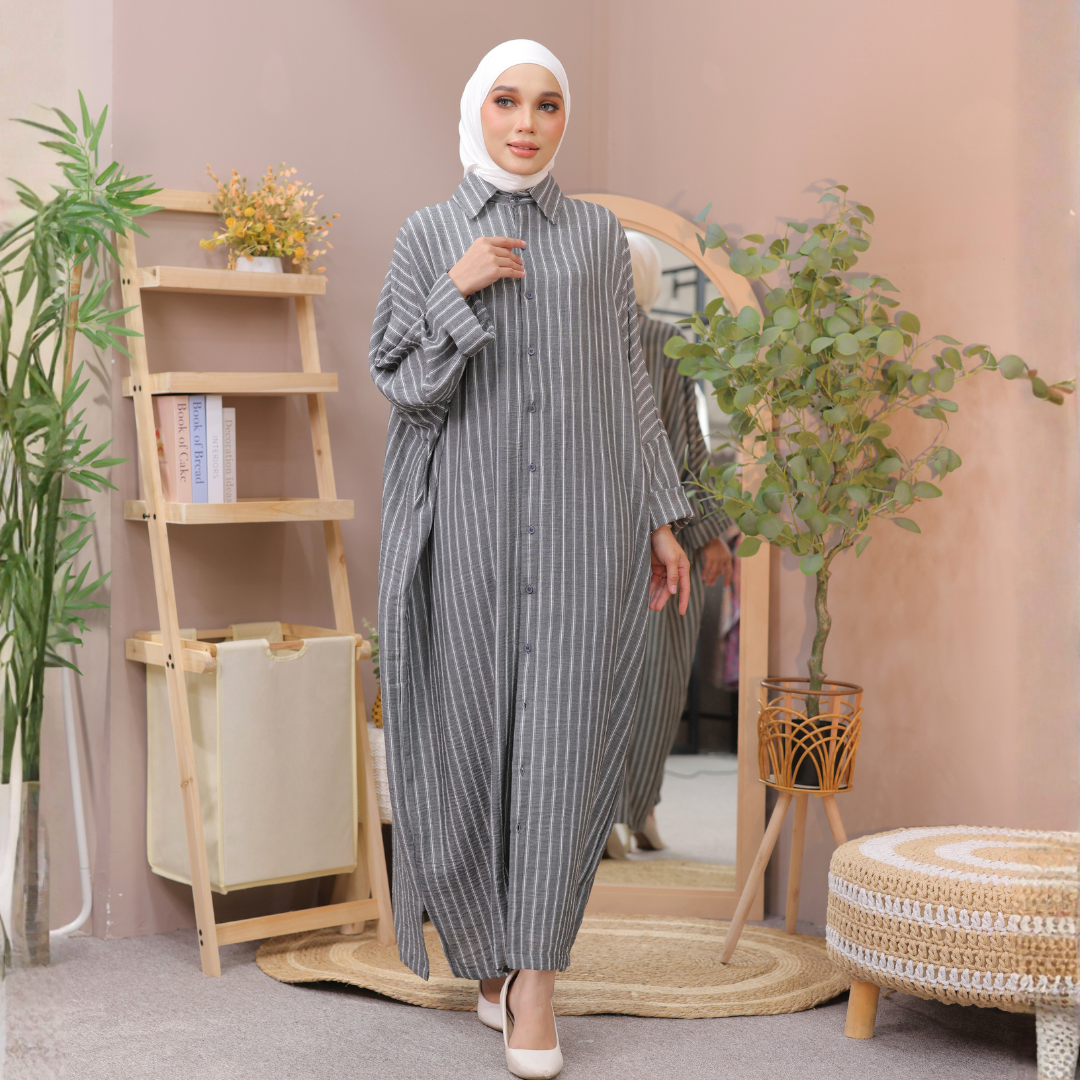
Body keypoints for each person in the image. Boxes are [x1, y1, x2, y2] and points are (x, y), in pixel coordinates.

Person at [370, 39, 692, 1080]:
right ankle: (488, 957)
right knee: (466, 743)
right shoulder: (429, 235)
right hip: (463, 530)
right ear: (478, 110)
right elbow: (402, 384)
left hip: (586, 528)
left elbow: (632, 385)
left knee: (563, 747)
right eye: (507, 101)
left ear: (563, 120)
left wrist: (662, 516)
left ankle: (537, 983)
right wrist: (455, 291)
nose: (526, 122)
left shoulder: (596, 238)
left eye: (547, 105)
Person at [610, 233, 734, 858]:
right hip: (667, 537)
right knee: (659, 686)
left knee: (597, 685)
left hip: (592, 537)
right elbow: (691, 449)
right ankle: (642, 809)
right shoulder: (666, 341)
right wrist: (712, 534)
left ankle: (609, 816)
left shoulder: (575, 336)